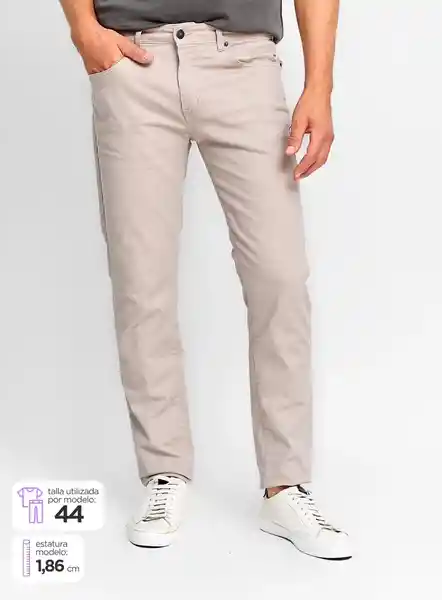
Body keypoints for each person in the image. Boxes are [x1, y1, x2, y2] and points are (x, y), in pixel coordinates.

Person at [59, 0, 351, 560]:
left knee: (280, 277)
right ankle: (163, 471)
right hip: (133, 61)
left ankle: (286, 485)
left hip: (243, 63)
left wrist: (320, 85)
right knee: (141, 280)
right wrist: (83, 29)